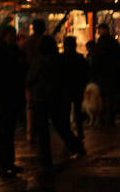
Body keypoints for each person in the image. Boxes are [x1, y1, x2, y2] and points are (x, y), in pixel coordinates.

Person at [26, 20, 85, 174]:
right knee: (61, 126)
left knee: (43, 132)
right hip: (57, 98)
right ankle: (76, 146)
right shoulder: (59, 60)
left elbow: (30, 79)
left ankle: (45, 161)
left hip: (41, 99)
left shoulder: (38, 61)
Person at [0, 24, 27, 179]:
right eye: (9, 35)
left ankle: (9, 162)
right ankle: (2, 165)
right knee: (4, 134)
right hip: (3, 98)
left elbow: (23, 72)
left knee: (10, 132)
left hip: (14, 96)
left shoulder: (16, 53)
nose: (11, 38)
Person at [89, 23, 120, 126]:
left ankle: (103, 118)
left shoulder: (101, 43)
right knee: (111, 97)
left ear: (102, 30)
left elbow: (96, 59)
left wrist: (94, 71)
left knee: (103, 97)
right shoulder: (114, 43)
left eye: (99, 30)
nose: (98, 32)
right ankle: (110, 118)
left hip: (103, 74)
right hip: (113, 73)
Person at [59, 36, 90, 142]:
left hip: (65, 88)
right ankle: (80, 131)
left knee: (66, 111)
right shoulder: (80, 58)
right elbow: (86, 72)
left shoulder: (61, 58)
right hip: (77, 87)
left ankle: (68, 132)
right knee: (77, 110)